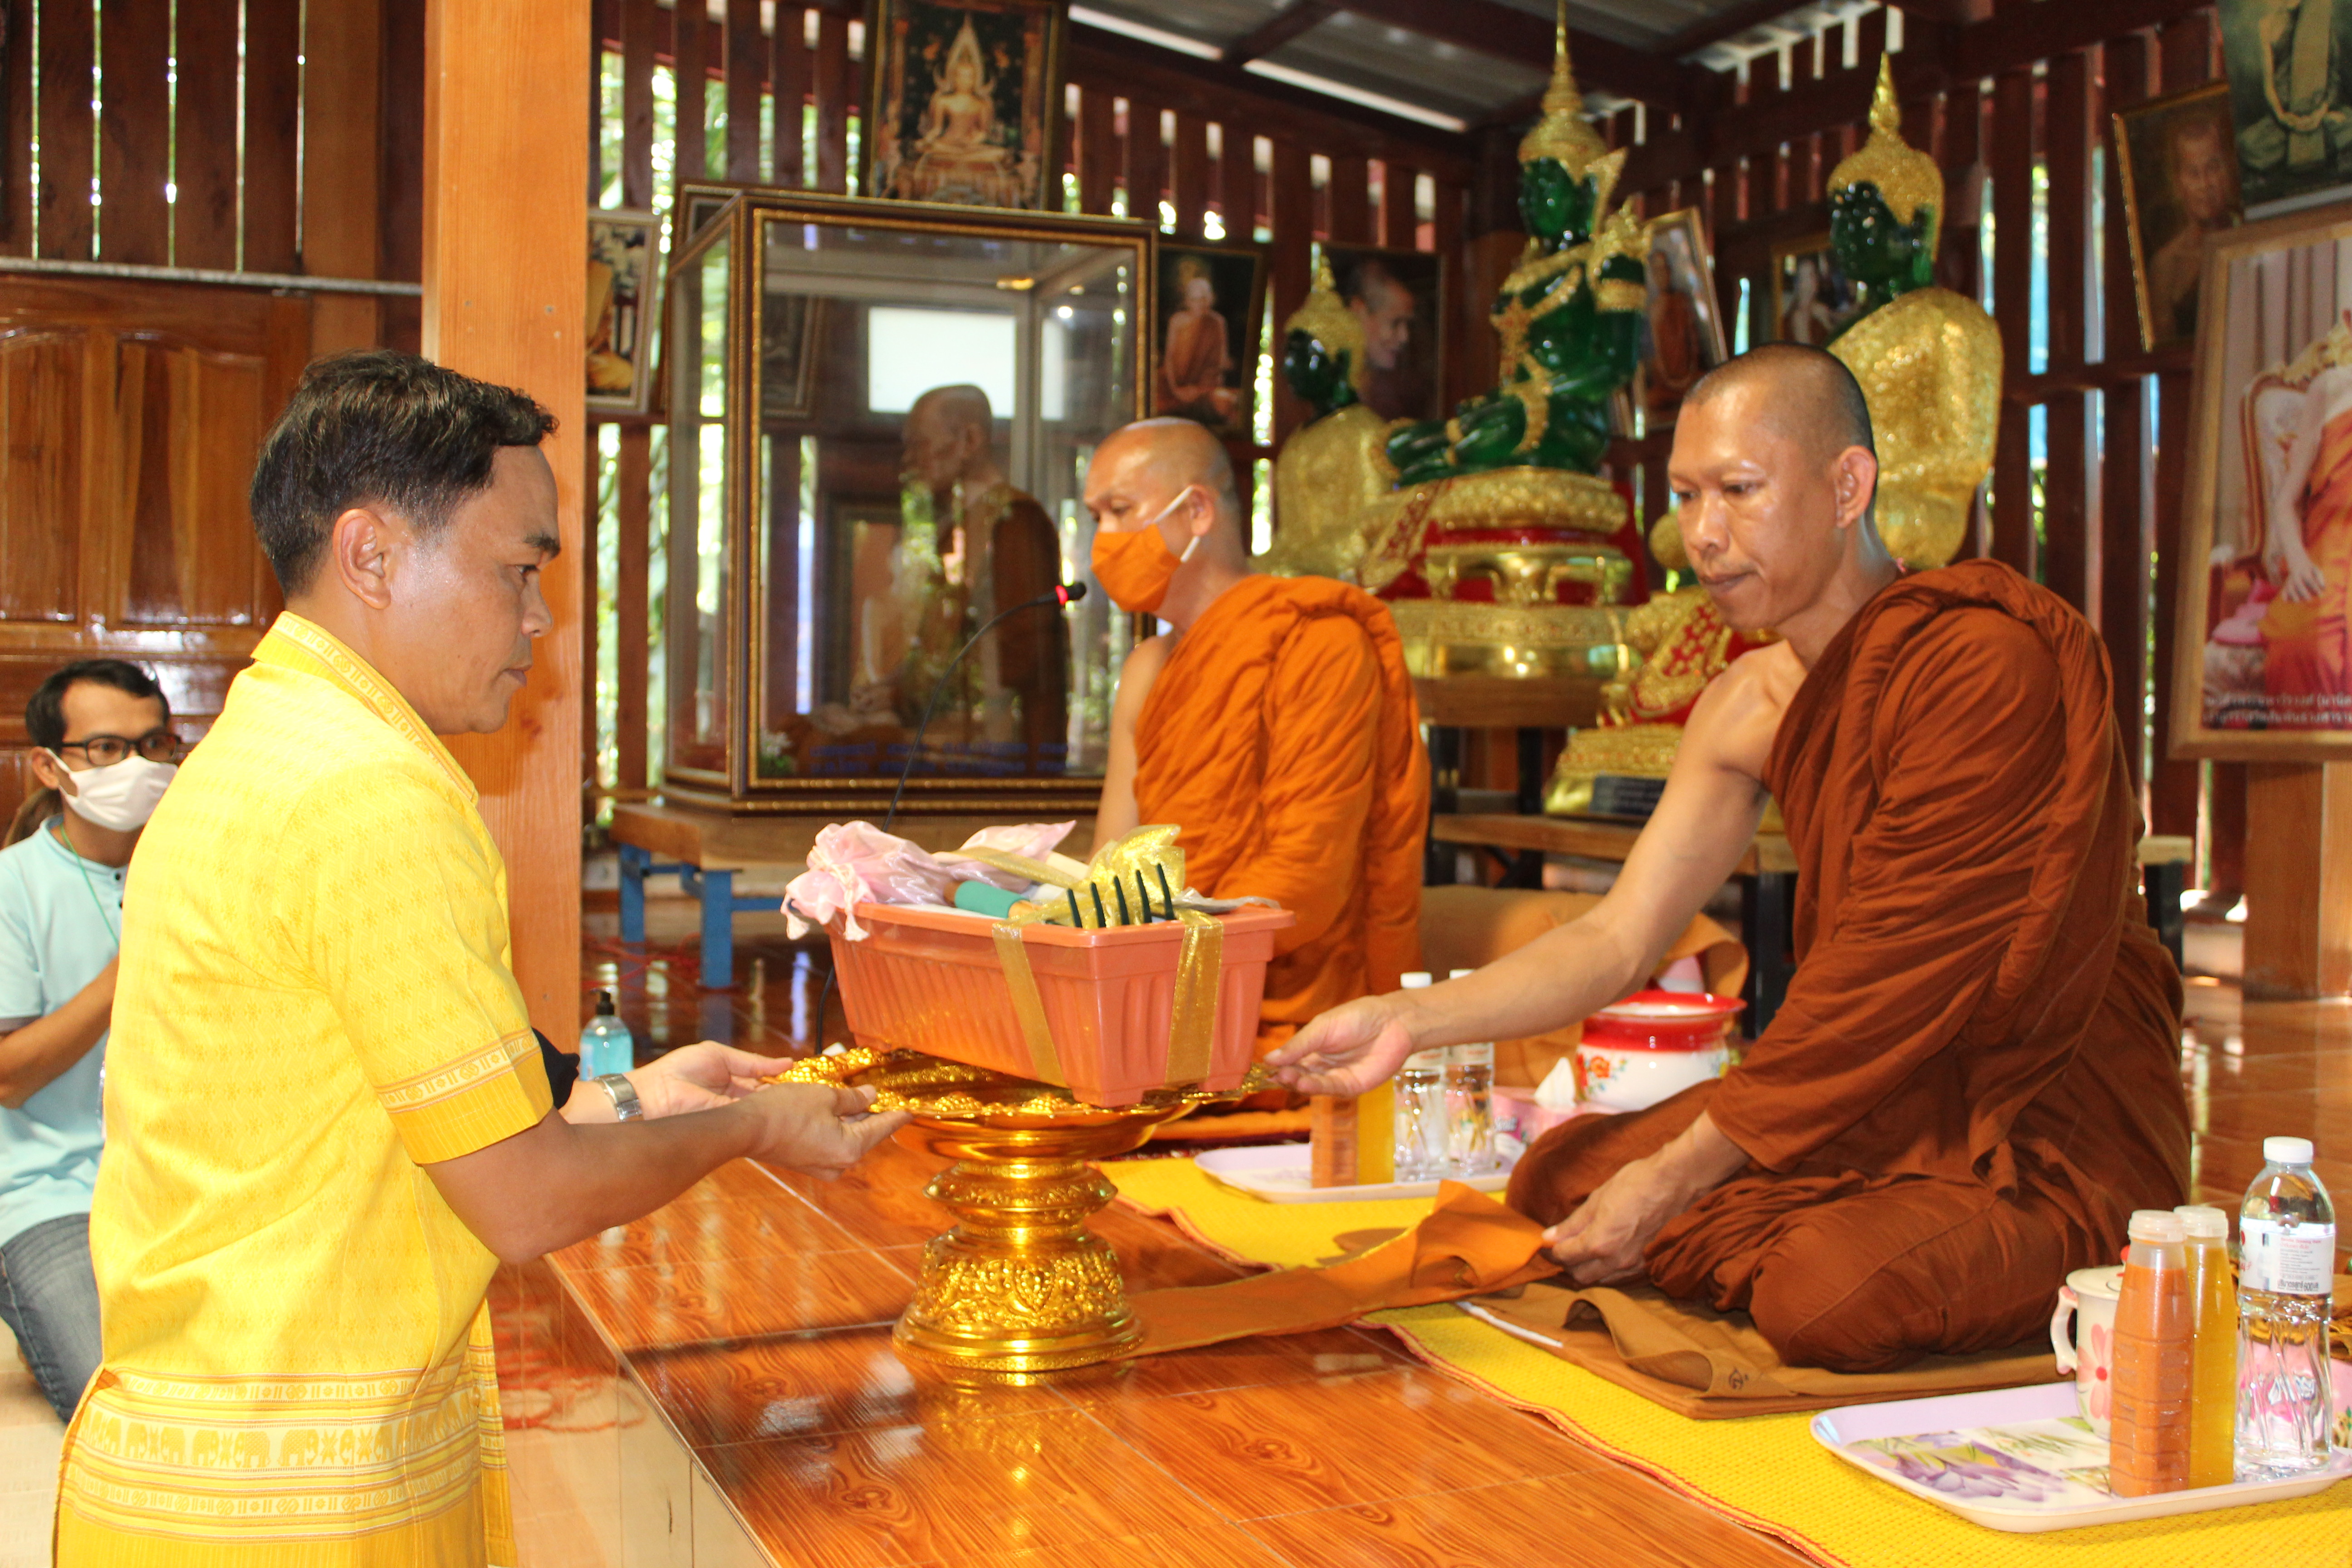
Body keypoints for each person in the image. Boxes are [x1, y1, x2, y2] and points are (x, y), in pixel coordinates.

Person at [55, 351, 910, 1566]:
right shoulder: (369, 792)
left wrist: (630, 1095)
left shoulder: (269, 742)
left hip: (216, 1456)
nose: (539, 618)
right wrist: (754, 1131)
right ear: (373, 554)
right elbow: (525, 1199)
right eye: (518, 570)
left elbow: (385, 1114)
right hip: (296, 1505)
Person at [1273, 343, 2190, 1373]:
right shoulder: (1743, 702)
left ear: (1847, 486)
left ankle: (2059, 1255)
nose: (1702, 536)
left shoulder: (1980, 664)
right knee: (1556, 1175)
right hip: (1863, 1093)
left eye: (1740, 492)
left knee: (1823, 1294)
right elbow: (1619, 934)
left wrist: (1674, 1180)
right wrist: (1408, 1018)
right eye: (1684, 496)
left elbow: (1884, 977)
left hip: (2030, 1109)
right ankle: (1806, 1215)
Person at [1089, 418, 1427, 1054]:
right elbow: (1115, 867)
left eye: (1119, 510)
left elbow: (1304, 883)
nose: (1102, 541)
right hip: (1150, 996)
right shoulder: (1145, 671)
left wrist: (1158, 950)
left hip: (1293, 1026)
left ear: (1195, 512)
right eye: (1095, 517)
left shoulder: (1318, 642)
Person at [0, 662, 176, 1425]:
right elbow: (7, 1077)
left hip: (183, 1188)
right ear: (50, 765)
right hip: (49, 1197)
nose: (135, 767)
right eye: (105, 748)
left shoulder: (194, 870)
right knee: (123, 1410)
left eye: (153, 744)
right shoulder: (13, 887)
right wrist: (126, 966)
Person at [899, 383, 1069, 771]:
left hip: (997, 752)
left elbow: (1026, 657)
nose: (910, 460)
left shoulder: (1016, 524)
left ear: (970, 440)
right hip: (957, 746)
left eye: (921, 444)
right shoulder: (957, 528)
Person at [2146, 109, 2239, 344]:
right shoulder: (2166, 266)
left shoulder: (2250, 239)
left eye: (2213, 168)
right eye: (2193, 173)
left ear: (2227, 171)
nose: (2205, 184)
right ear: (2178, 183)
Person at [1156, 265, 1237, 425]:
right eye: (1194, 299)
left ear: (1210, 299)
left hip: (1205, 389)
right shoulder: (1177, 322)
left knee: (1225, 403)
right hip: (1174, 388)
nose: (1199, 304)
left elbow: (1219, 364)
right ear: (1187, 301)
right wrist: (1178, 391)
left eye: (1203, 299)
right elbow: (1170, 360)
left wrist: (1199, 390)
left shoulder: (1217, 322)